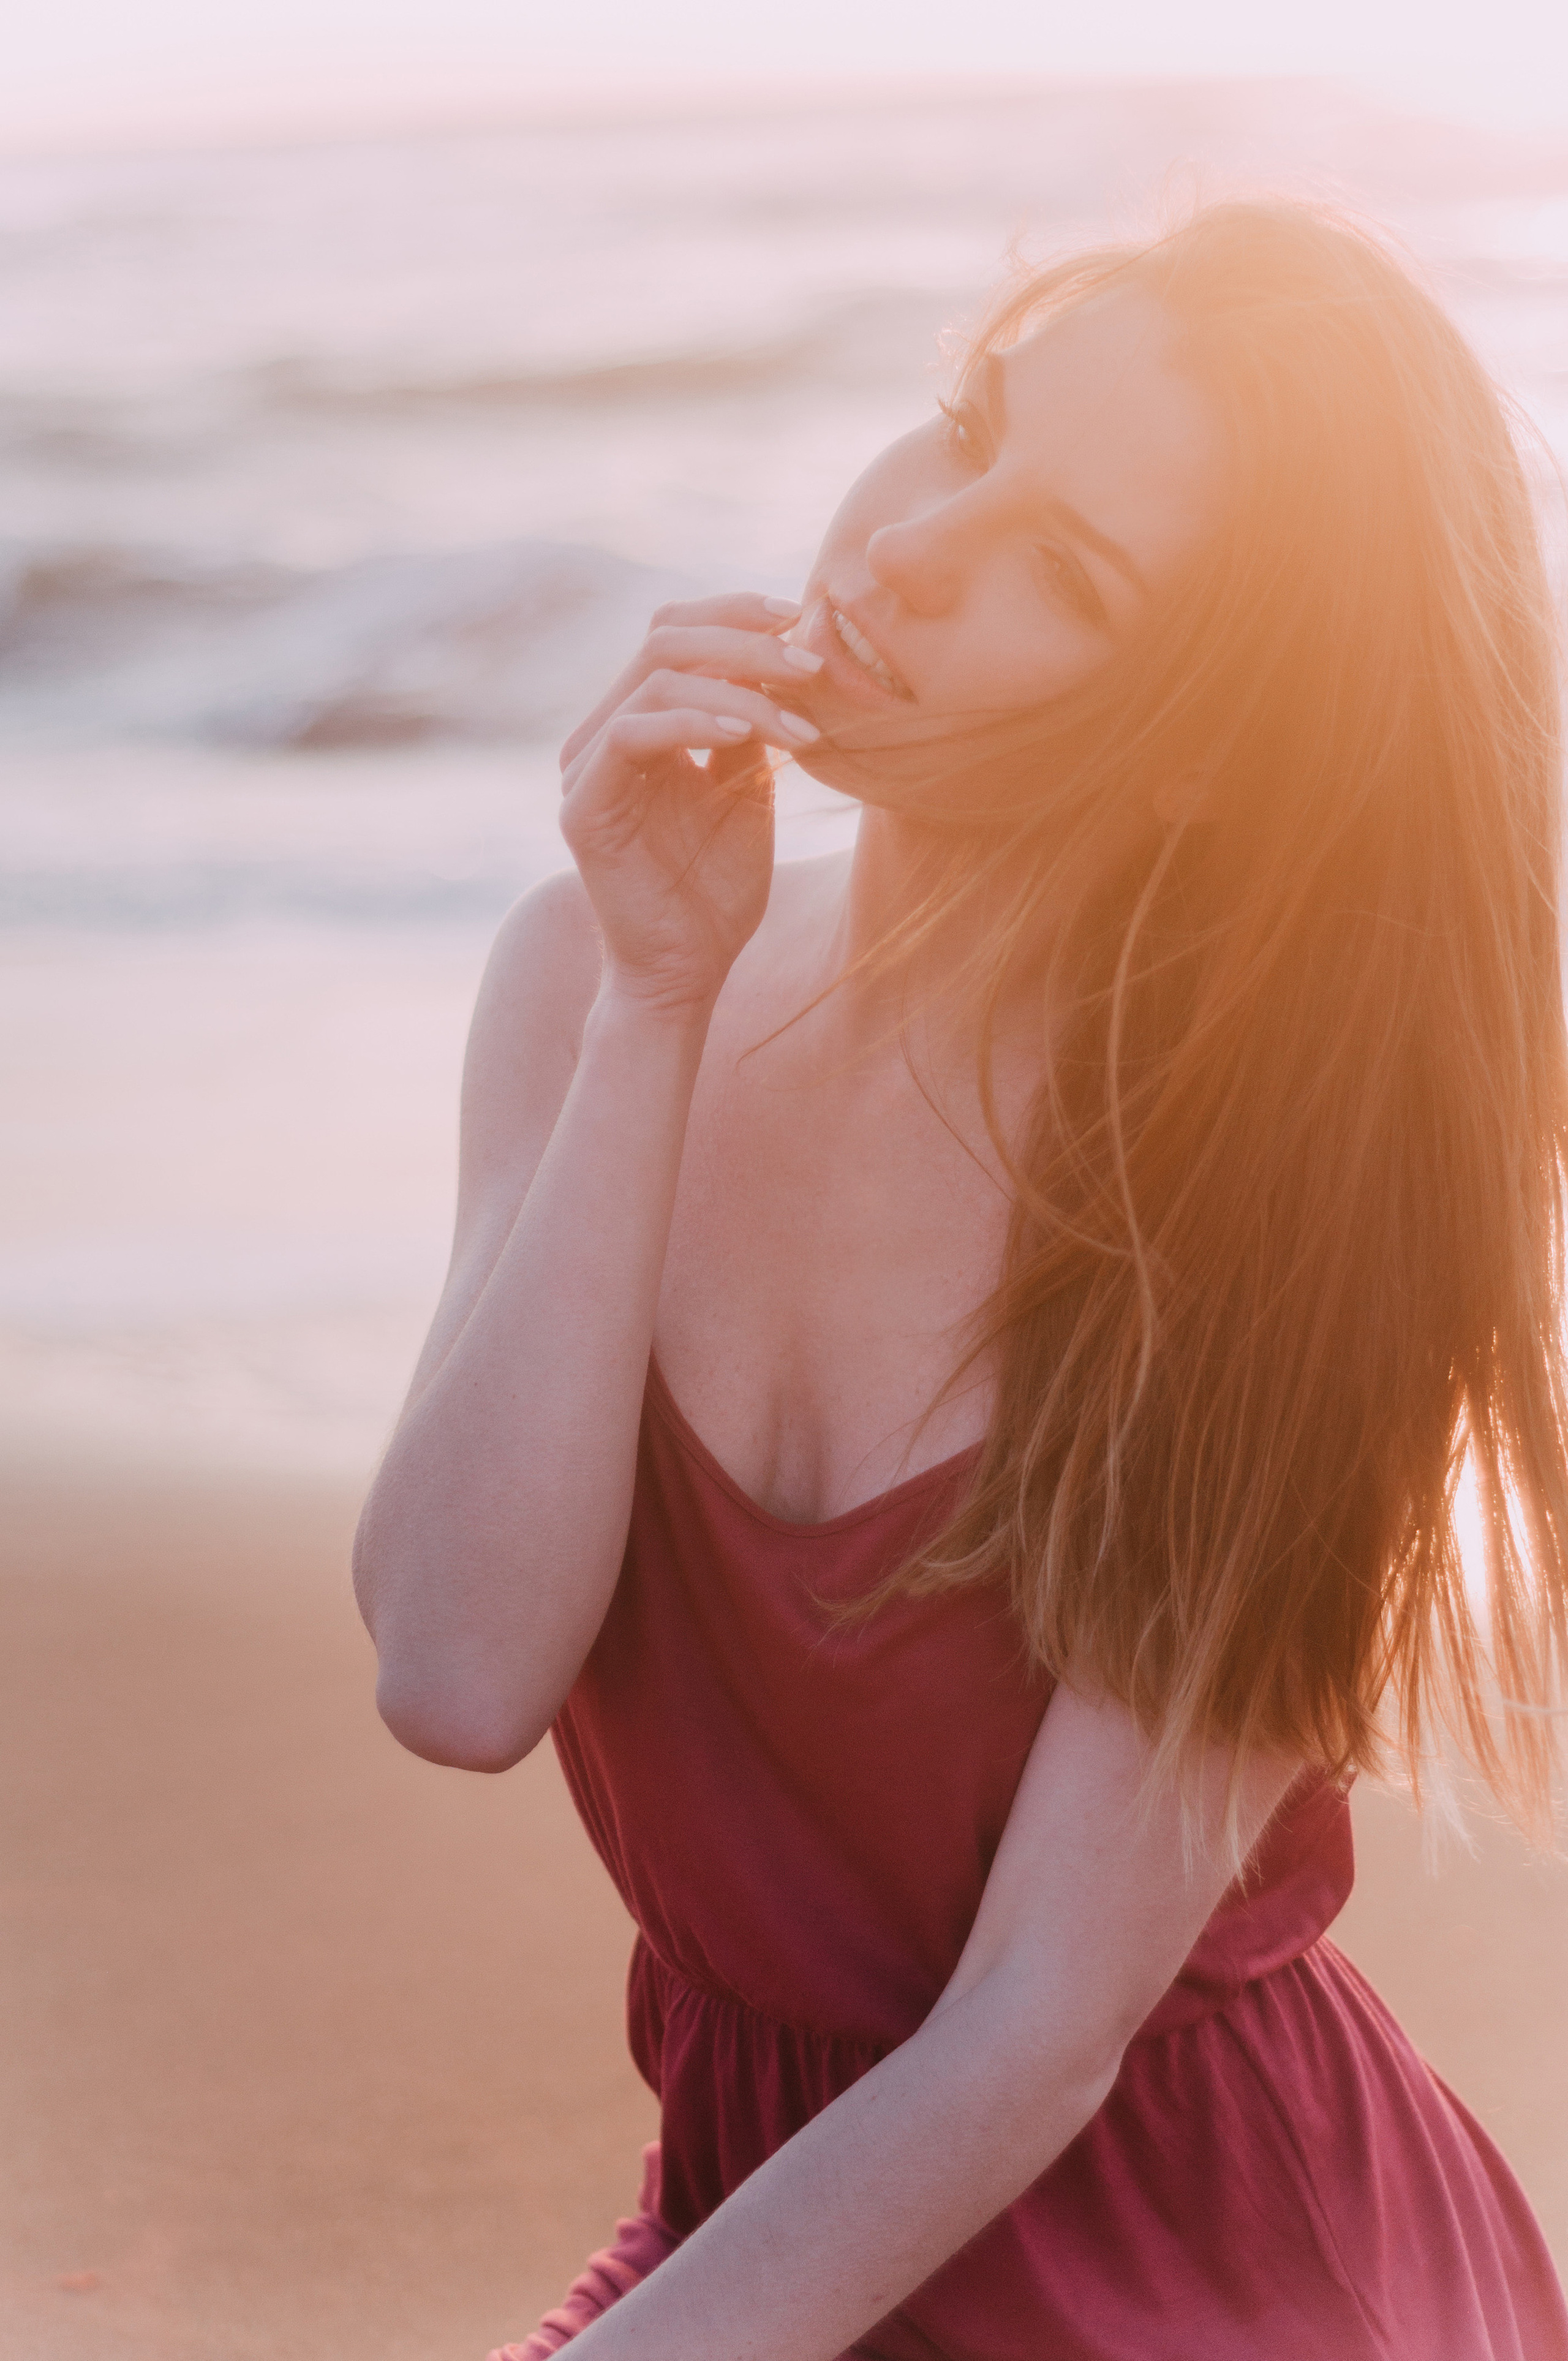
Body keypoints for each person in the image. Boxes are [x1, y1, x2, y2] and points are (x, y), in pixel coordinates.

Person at [352, 202, 1568, 2359]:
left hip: (1203, 2270)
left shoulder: (1263, 1217)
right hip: (767, 2217)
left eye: (1069, 573)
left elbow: (1032, 2038)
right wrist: (656, 996)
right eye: (966, 430)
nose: (913, 548)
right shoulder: (592, 982)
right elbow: (456, 1670)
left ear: (1207, 746)